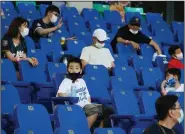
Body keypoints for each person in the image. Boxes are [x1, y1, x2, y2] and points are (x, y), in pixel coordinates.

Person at [56, 57, 114, 129]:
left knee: (109, 110)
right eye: (71, 68)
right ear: (67, 70)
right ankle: (84, 131)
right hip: (76, 106)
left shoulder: (82, 81)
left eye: (76, 68)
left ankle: (100, 130)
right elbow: (60, 94)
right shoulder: (66, 81)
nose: (74, 70)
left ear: (80, 71)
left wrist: (89, 104)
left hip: (87, 105)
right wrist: (70, 97)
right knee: (93, 111)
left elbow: (87, 96)